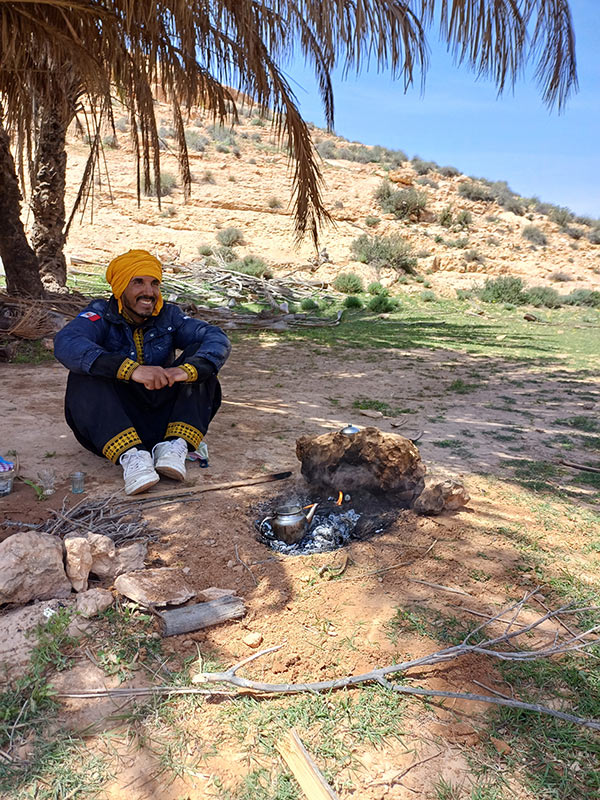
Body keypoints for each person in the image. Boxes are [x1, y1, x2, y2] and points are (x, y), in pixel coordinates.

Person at [54, 249, 231, 494]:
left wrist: (186, 371)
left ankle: (173, 446)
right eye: (138, 282)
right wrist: (131, 370)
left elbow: (214, 336)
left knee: (202, 366)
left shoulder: (170, 316)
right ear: (120, 287)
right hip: (114, 424)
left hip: (164, 420)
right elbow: (67, 342)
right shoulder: (100, 315)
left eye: (154, 283)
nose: (148, 292)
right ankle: (132, 458)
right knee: (84, 374)